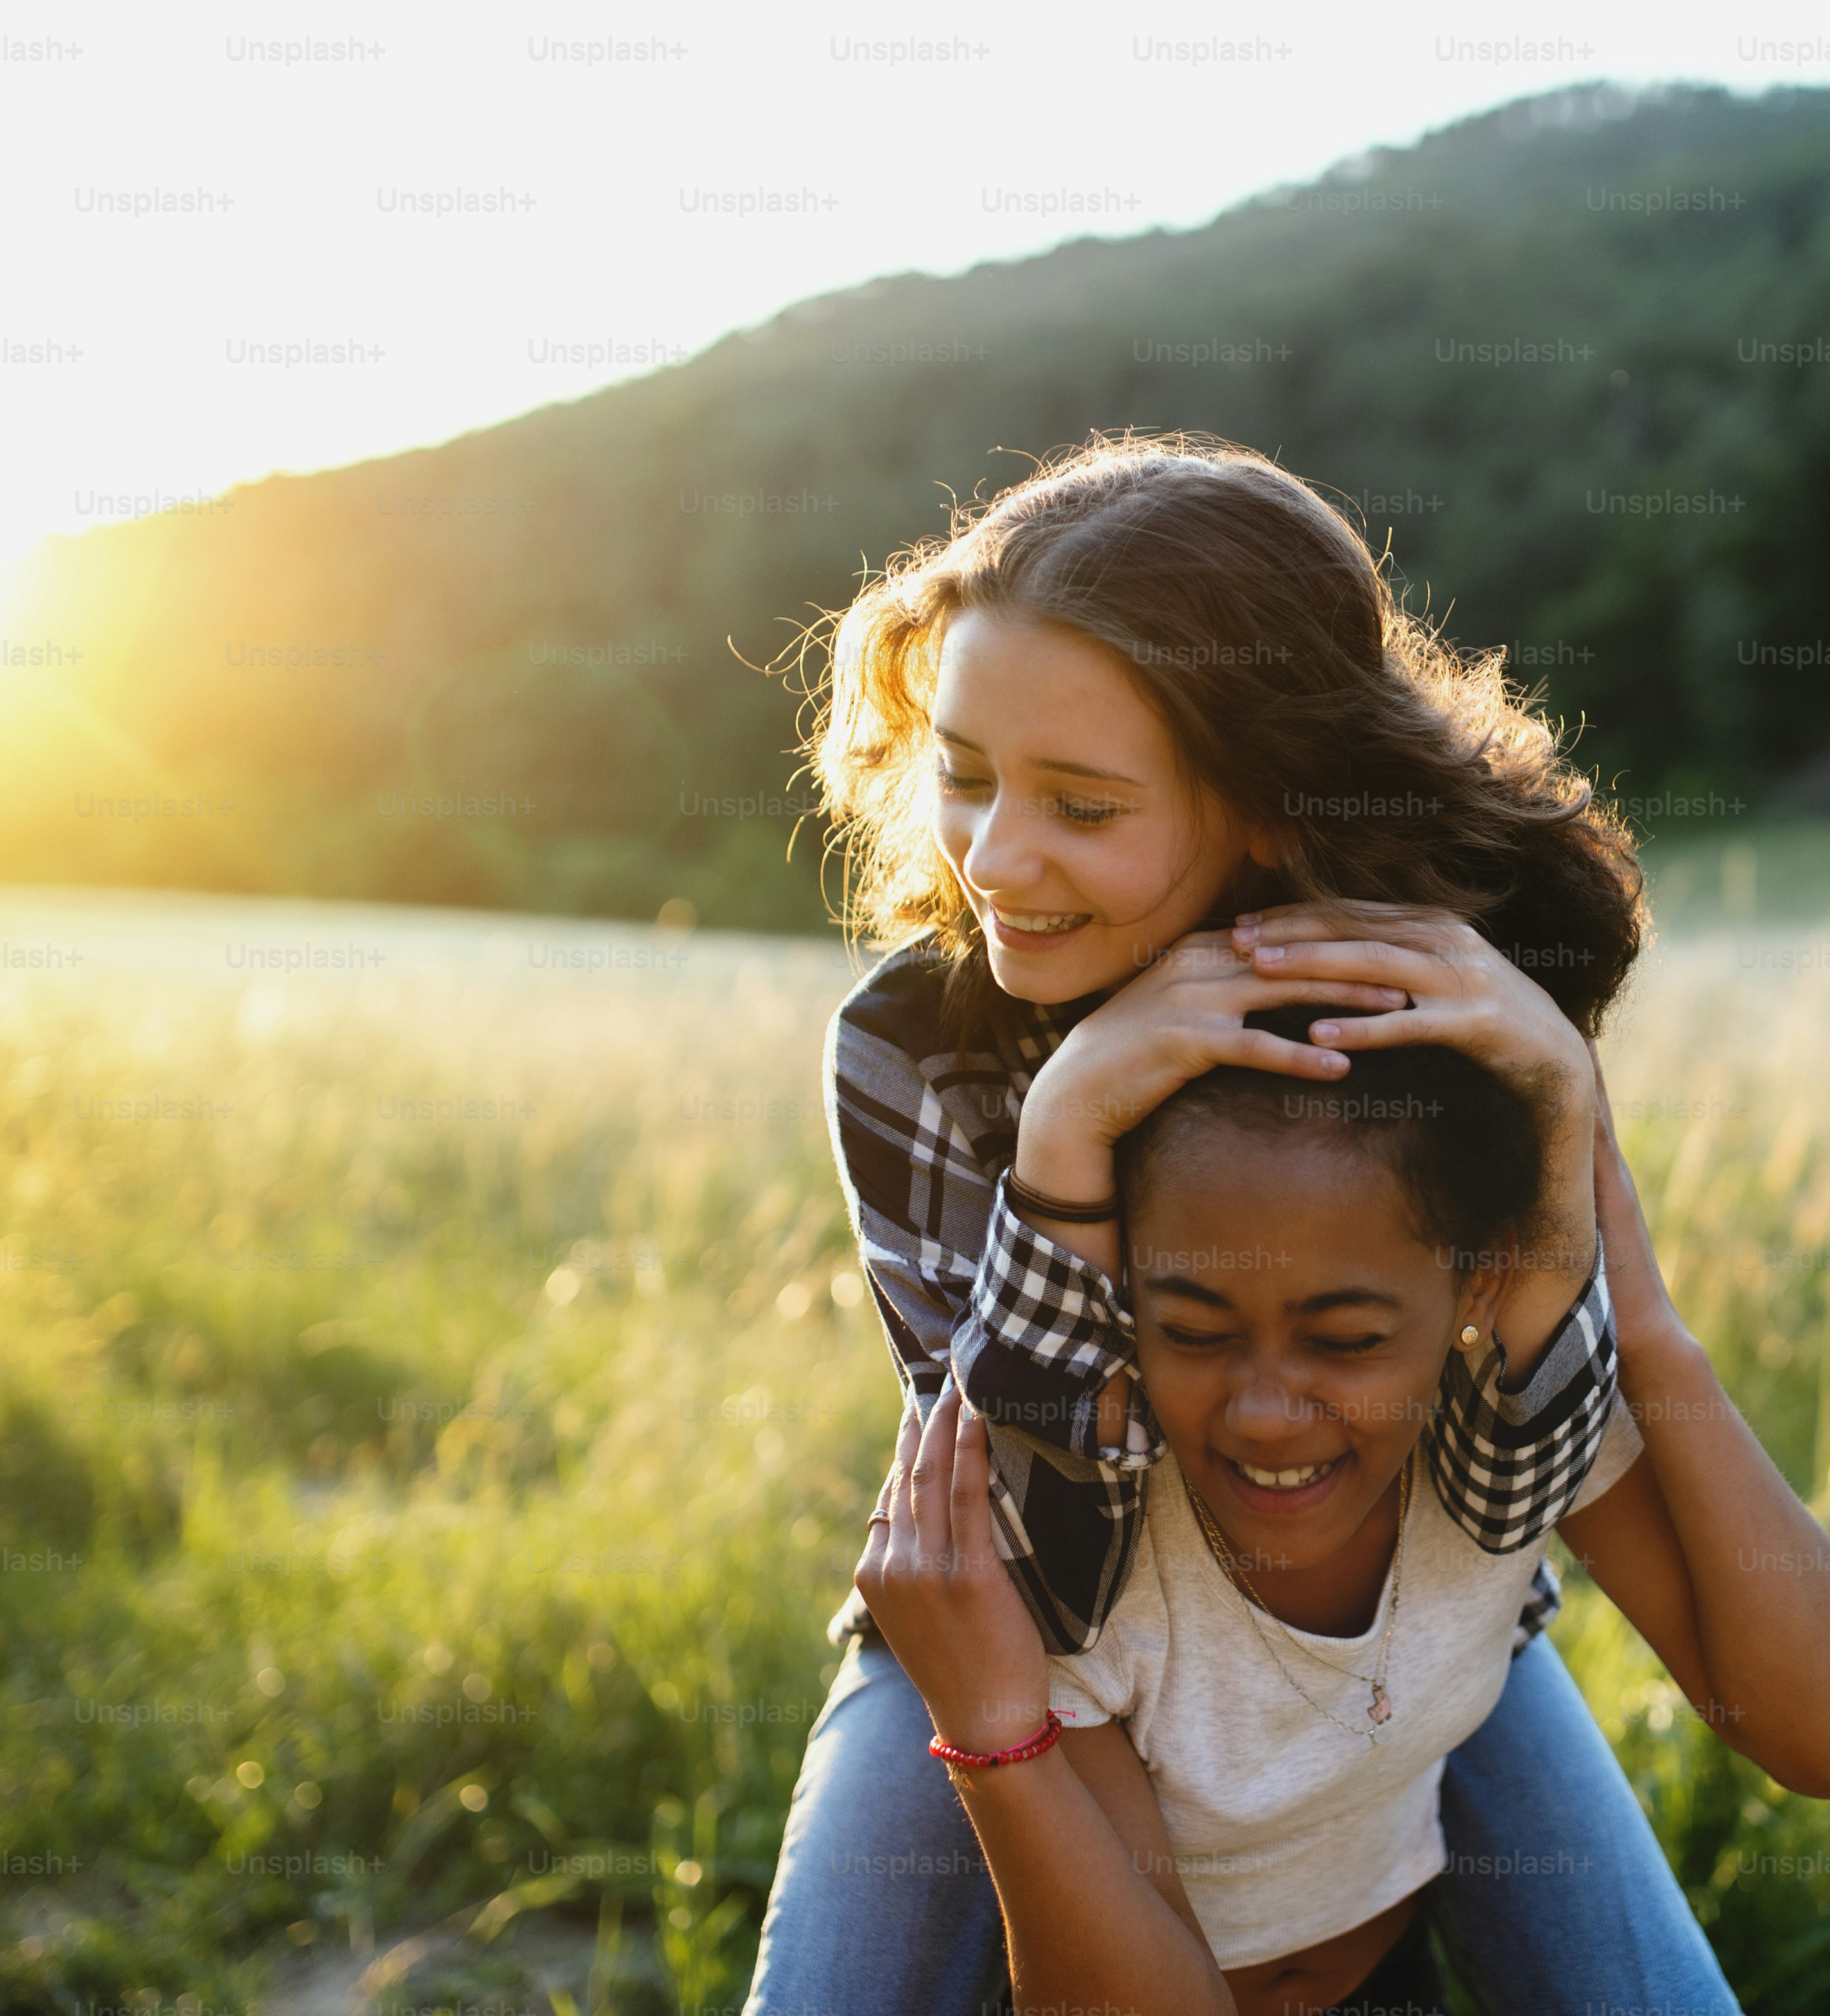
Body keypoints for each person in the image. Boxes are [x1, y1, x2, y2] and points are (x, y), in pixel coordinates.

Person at [739, 432, 1774, 2013]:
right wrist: (1070, 1126)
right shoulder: (914, 1046)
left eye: (1081, 803)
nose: (996, 858)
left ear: (1273, 808)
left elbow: (1511, 1476)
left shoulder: (1439, 1011)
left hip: (1401, 1617)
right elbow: (1036, 1572)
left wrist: (1561, 1099)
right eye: (962, 773)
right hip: (1035, 1646)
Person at [850, 1014, 1830, 2013]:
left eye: (1346, 1342)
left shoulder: (1510, 1429)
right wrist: (996, 1735)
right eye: (1193, 1332)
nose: (1264, 1415)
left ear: (1477, 1291)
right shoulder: (1083, 1543)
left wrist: (1649, 1328)